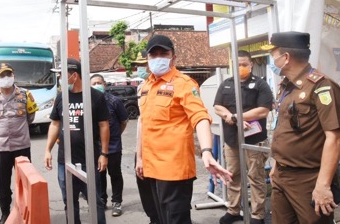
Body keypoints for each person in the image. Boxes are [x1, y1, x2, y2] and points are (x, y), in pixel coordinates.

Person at [135, 34, 233, 224]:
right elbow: (143, 123)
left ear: (173, 58)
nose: (158, 58)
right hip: (149, 166)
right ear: (147, 59)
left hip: (173, 170)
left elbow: (201, 117)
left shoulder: (184, 84)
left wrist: (206, 151)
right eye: (153, 54)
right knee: (158, 219)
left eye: (163, 53)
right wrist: (139, 158)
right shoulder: (146, 85)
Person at [261, 31, 340, 224]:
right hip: (282, 175)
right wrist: (277, 164)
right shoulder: (287, 86)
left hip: (308, 179)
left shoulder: (321, 87)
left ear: (286, 57)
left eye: (273, 53)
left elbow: (335, 138)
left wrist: (323, 185)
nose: (271, 59)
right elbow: (284, 129)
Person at [44, 58, 110, 224]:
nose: (60, 79)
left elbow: (104, 125)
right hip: (64, 161)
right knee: (69, 201)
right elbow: (54, 124)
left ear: (74, 76)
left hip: (89, 159)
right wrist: (47, 150)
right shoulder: (61, 97)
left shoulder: (95, 97)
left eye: (62, 75)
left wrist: (104, 153)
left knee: (95, 201)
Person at [213, 50, 273, 224]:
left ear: (251, 64)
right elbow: (218, 106)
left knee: (256, 177)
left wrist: (238, 117)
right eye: (237, 64)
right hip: (232, 140)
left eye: (244, 64)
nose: (241, 68)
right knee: (232, 175)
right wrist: (229, 116)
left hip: (254, 141)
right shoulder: (226, 84)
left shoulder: (260, 84)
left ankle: (257, 215)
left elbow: (263, 109)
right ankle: (233, 210)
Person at [0, 63, 39, 224]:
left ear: (13, 76)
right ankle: (5, 213)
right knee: (2, 184)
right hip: (0, 148)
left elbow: (30, 117)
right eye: (2, 76)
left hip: (22, 145)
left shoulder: (26, 95)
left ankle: (27, 212)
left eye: (8, 74)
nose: (5, 78)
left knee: (26, 182)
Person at [90, 74, 128, 216]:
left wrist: (115, 135)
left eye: (99, 82)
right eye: (93, 83)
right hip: (96, 147)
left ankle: (116, 202)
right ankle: (101, 200)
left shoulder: (114, 101)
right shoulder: (88, 102)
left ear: (104, 84)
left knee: (115, 174)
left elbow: (123, 121)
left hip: (113, 147)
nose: (97, 85)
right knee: (99, 175)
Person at [132, 51, 160, 224]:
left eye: (143, 64)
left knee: (164, 196)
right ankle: (153, 218)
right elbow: (141, 121)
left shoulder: (176, 84)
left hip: (162, 150)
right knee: (146, 190)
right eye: (139, 65)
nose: (141, 68)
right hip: (143, 147)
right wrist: (139, 155)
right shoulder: (142, 87)